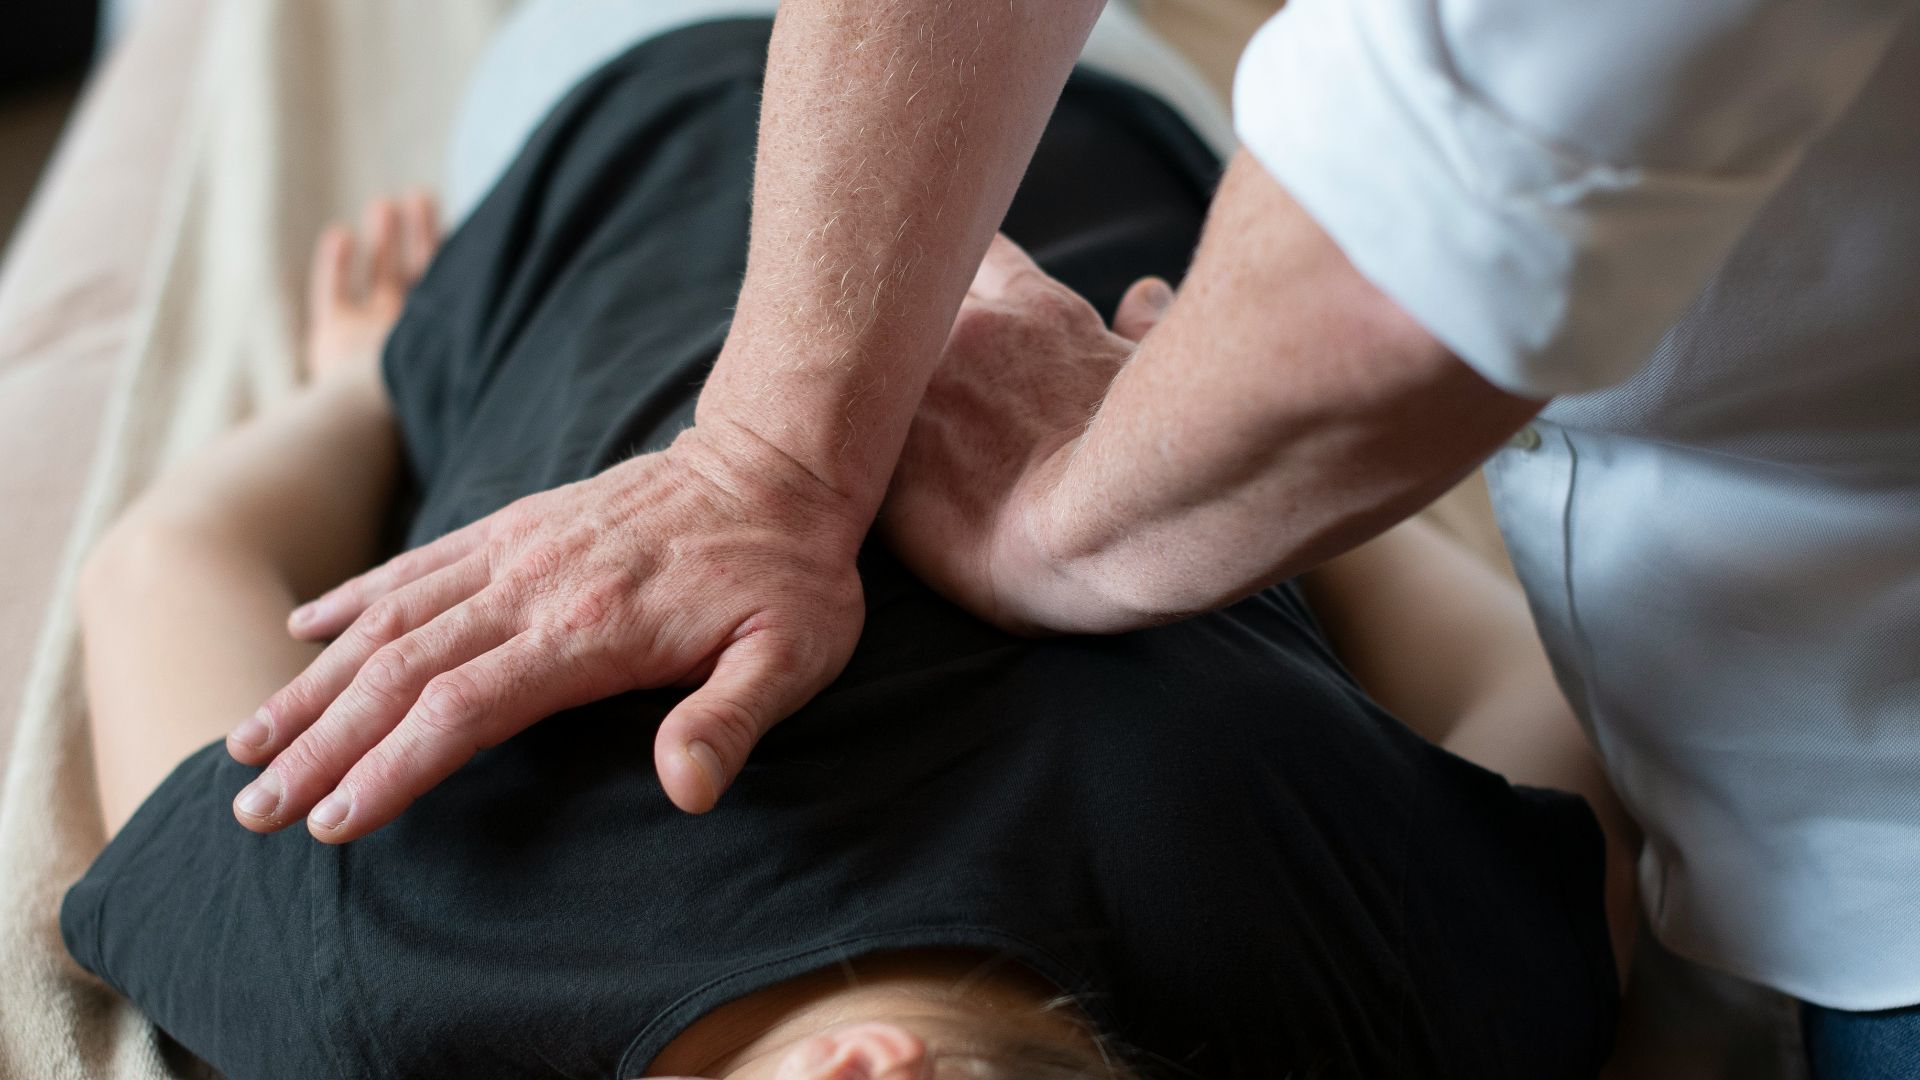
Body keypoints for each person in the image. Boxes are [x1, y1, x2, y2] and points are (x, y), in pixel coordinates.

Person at [207, 1, 1916, 1073]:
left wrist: (363, 393)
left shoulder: (368, 1001)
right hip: (1120, 139)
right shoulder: (1398, 1004)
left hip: (602, 139)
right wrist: (1203, 494)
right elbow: (1427, 286)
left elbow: (178, 583)